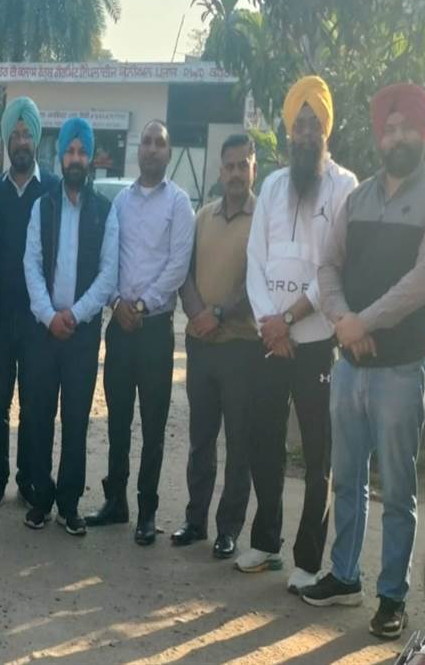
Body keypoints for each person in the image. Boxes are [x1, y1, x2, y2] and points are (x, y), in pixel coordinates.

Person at [305, 83, 425, 641]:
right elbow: (328, 266)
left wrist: (361, 323)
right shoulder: (359, 198)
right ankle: (344, 575)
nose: (397, 137)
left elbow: (424, 281)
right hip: (349, 365)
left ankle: (392, 595)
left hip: (400, 369)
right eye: (388, 129)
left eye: (406, 128)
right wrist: (343, 320)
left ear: (424, 132)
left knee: (397, 491)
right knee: (346, 480)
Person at [240, 76, 358, 584]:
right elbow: (255, 261)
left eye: (315, 124)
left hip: (314, 343)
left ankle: (308, 561)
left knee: (317, 455)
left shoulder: (345, 186)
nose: (306, 133)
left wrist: (288, 320)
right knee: (263, 443)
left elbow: (334, 268)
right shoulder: (271, 185)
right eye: (300, 124)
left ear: (326, 129)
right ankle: (266, 544)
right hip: (270, 341)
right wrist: (270, 323)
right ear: (289, 130)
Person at [87, 120, 194, 546]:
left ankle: (147, 511)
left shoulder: (179, 204)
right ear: (138, 150)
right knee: (117, 420)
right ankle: (115, 501)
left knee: (153, 425)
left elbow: (178, 265)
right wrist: (116, 302)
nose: (151, 149)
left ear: (168, 152)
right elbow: (107, 258)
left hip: (154, 331)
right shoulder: (122, 203)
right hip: (119, 327)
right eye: (146, 142)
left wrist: (143, 305)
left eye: (159, 143)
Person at [21, 118, 119, 533]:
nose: (75, 158)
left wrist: (74, 315)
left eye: (82, 151)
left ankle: (69, 503)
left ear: (90, 158)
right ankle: (40, 499)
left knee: (76, 419)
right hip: (44, 332)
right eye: (70, 151)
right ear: (60, 156)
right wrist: (49, 316)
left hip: (81, 334)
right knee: (39, 415)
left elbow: (108, 274)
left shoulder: (104, 211)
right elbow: (31, 265)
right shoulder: (43, 206)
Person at [172, 134, 259, 559]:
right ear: (220, 171)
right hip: (201, 344)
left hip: (241, 347)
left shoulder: (263, 219)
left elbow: (258, 282)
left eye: (243, 165)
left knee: (239, 442)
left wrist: (219, 314)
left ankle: (229, 529)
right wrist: (196, 314)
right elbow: (184, 273)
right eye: (230, 166)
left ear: (253, 169)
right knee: (201, 438)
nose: (236, 173)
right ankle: (195, 520)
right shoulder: (203, 217)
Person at [0, 97, 60, 506]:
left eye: (26, 134)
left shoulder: (50, 189)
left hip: (37, 319)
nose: (20, 141)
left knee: (33, 404)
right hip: (1, 317)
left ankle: (28, 478)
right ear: (6, 140)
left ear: (36, 139)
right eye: (14, 135)